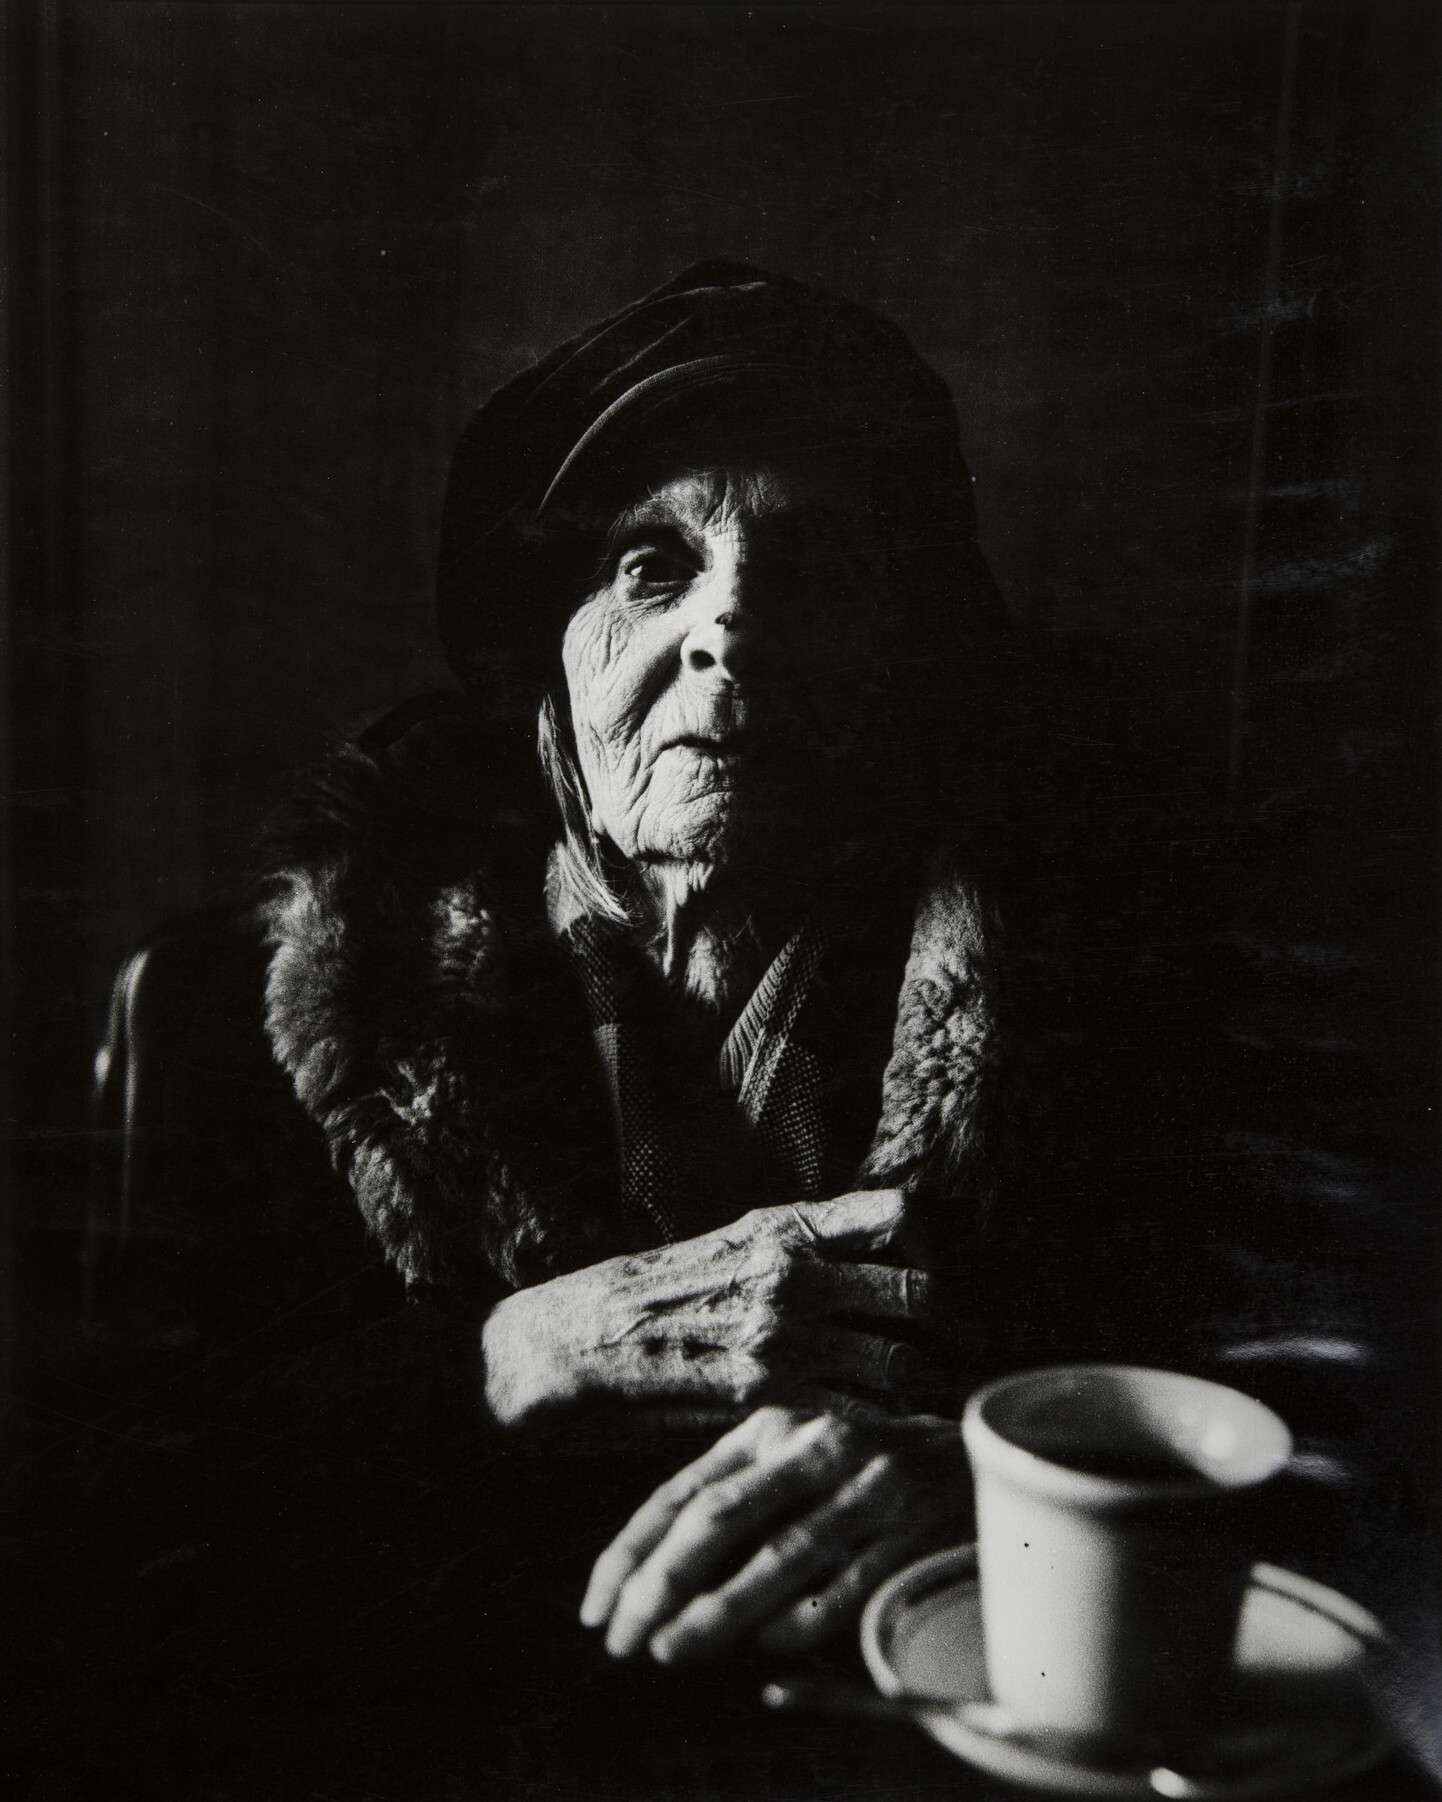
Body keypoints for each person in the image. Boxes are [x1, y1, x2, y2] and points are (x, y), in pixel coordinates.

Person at [257, 261, 1053, 1657]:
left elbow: (1234, 1416)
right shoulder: (315, 1006)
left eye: (812, 572)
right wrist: (505, 1358)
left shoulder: (1088, 1002)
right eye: (651, 567)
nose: (730, 629)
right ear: (549, 655)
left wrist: (994, 1488)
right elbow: (155, 1479)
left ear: (898, 656)